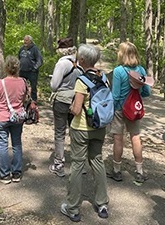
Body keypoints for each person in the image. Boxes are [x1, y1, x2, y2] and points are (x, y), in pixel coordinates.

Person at [60, 44, 109, 222]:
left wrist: (71, 107)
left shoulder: (82, 81)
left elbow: (77, 109)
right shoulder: (104, 78)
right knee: (97, 161)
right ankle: (102, 204)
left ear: (81, 60)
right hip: (100, 127)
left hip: (81, 129)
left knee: (77, 165)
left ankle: (72, 208)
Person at [107, 42, 152, 184]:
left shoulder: (118, 71)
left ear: (122, 54)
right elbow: (146, 92)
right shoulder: (141, 70)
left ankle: (117, 170)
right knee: (136, 137)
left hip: (120, 109)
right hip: (134, 109)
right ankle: (139, 171)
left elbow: (116, 95)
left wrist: (112, 110)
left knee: (118, 139)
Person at [49, 37, 83, 177]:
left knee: (60, 132)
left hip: (62, 101)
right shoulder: (79, 63)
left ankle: (59, 163)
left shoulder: (61, 64)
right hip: (75, 100)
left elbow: (54, 85)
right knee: (75, 131)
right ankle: (80, 164)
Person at [0, 56, 27, 184]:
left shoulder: (0, 83)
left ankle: (5, 174)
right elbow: (23, 99)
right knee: (17, 144)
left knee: (3, 145)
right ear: (18, 68)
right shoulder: (23, 82)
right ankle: (16, 172)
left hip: (1, 117)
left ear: (6, 67)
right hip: (17, 117)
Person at [18, 35, 43, 103]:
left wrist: (34, 68)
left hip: (32, 72)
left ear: (30, 41)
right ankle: (21, 100)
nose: (25, 42)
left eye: (26, 40)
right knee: (21, 86)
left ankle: (33, 101)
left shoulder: (35, 49)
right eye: (24, 40)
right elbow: (18, 59)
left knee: (33, 87)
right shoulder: (21, 49)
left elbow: (40, 61)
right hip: (22, 71)